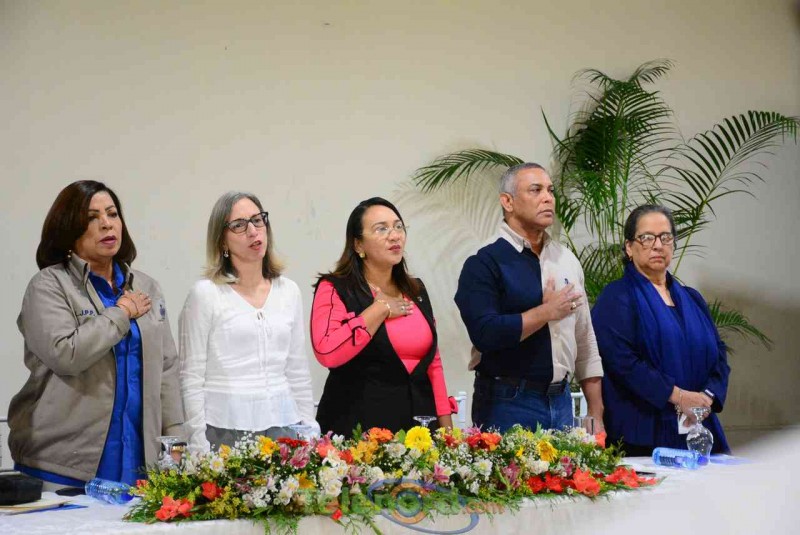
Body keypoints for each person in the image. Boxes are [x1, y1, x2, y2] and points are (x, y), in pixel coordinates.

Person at [7, 180, 184, 488]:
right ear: (69, 230)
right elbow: (66, 355)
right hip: (63, 467)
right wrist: (120, 313)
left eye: (112, 214)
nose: (106, 224)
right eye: (92, 217)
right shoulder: (48, 285)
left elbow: (166, 368)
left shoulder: (146, 287)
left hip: (139, 465)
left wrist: (176, 441)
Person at [455, 163, 604, 433]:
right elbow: (485, 333)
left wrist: (596, 411)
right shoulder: (484, 261)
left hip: (561, 400)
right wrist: (546, 312)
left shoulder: (566, 259)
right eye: (535, 190)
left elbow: (584, 337)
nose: (548, 198)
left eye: (550, 190)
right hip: (507, 401)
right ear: (508, 202)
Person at [179, 192, 319, 452]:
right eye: (239, 225)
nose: (253, 231)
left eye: (257, 220)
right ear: (222, 240)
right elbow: (191, 377)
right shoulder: (206, 294)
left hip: (284, 425)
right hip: (224, 428)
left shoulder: (288, 291)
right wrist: (198, 443)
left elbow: (297, 370)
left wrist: (309, 429)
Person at [591, 204, 730, 455]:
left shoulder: (693, 298)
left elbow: (719, 353)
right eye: (646, 238)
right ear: (629, 247)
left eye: (665, 237)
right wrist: (678, 396)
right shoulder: (617, 297)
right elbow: (622, 363)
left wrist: (707, 397)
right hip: (643, 432)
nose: (657, 245)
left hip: (698, 426)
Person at [311, 197, 454, 436]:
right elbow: (327, 352)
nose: (394, 235)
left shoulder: (416, 289)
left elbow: (434, 364)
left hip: (417, 430)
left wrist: (447, 432)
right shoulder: (335, 288)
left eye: (398, 227)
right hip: (358, 430)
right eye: (381, 229)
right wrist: (380, 310)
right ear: (358, 245)